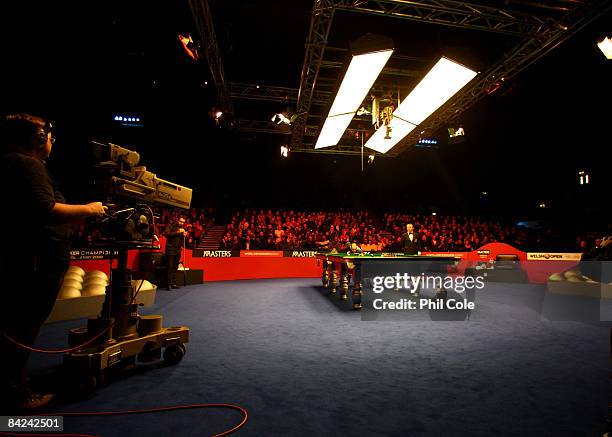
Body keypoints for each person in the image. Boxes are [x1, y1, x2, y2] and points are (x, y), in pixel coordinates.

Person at [0, 113, 107, 411]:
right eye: (47, 136)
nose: (51, 141)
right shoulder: (27, 164)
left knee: (17, 324)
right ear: (36, 140)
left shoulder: (14, 163)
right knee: (23, 326)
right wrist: (89, 209)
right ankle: (14, 396)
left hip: (27, 257)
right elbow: (45, 209)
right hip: (35, 259)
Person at [164, 216, 187, 290]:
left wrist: (185, 236)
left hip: (178, 250)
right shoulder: (170, 225)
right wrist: (178, 232)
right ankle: (168, 284)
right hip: (170, 248)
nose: (182, 223)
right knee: (170, 266)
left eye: (183, 222)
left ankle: (172, 283)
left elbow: (182, 240)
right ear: (177, 220)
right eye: (180, 221)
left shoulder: (182, 229)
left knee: (175, 266)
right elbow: (167, 234)